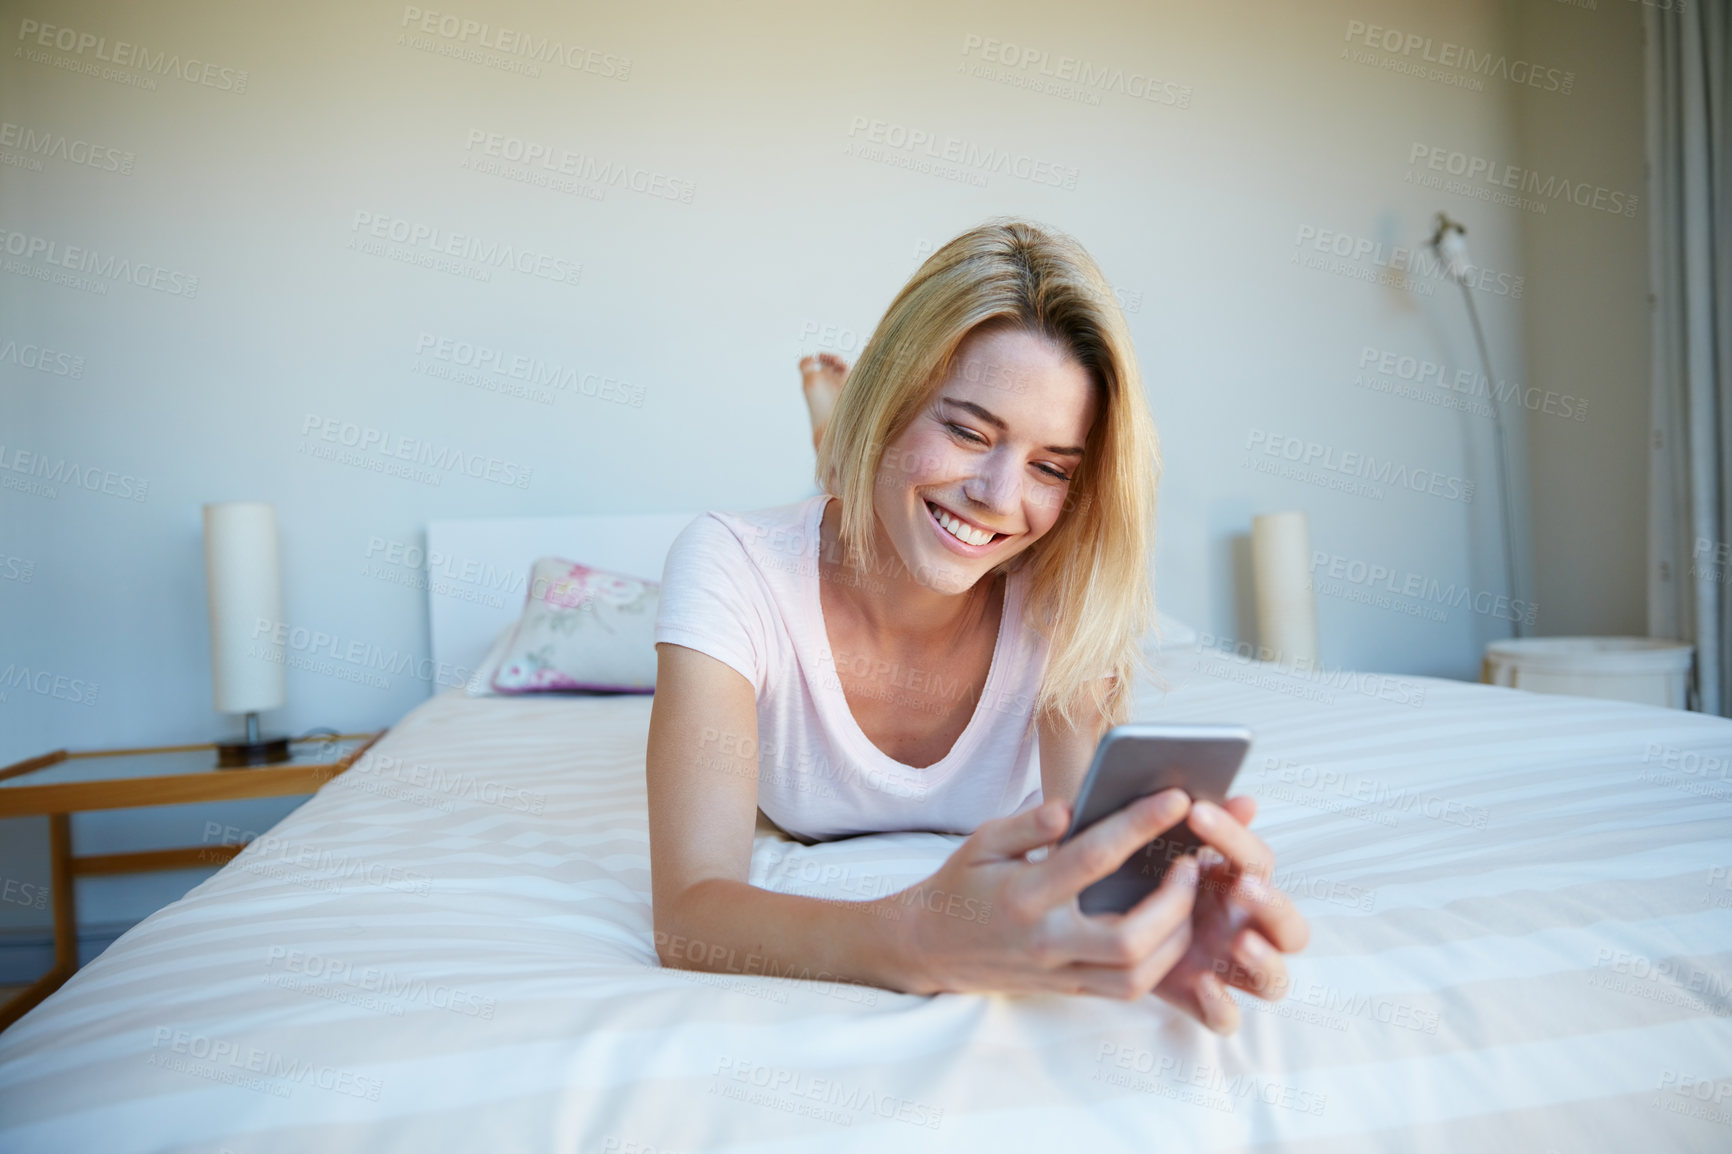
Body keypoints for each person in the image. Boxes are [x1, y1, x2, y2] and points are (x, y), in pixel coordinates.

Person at [646, 218, 1307, 1032]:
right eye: (966, 430)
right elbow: (688, 915)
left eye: (1050, 467)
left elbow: (1098, 869)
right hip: (836, 504)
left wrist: (1156, 912)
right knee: (864, 488)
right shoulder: (730, 564)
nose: (999, 495)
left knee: (923, 502)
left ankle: (859, 441)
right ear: (893, 394)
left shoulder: (1068, 590)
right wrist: (909, 940)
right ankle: (835, 437)